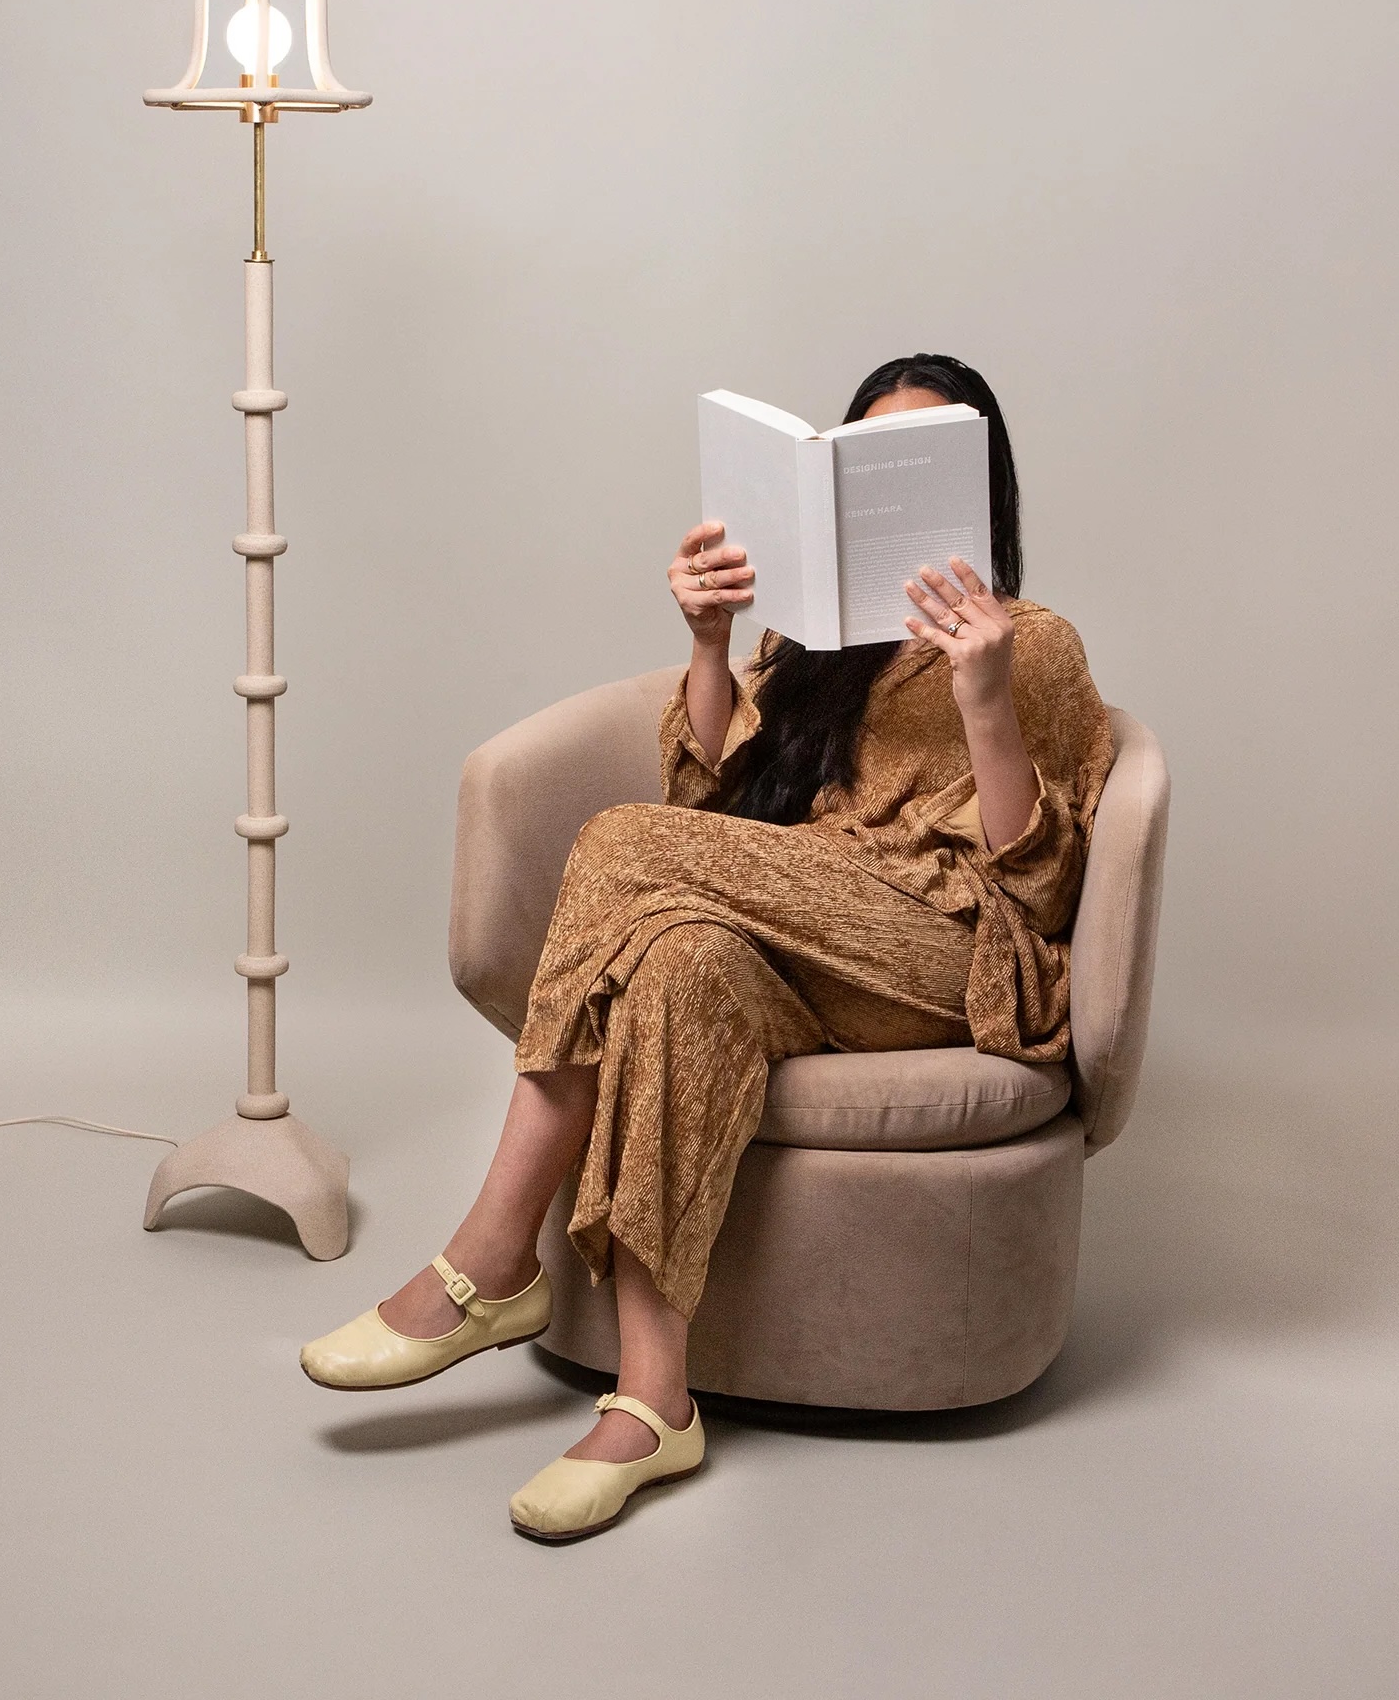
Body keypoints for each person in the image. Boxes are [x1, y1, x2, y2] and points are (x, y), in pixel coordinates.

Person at [300, 354, 1113, 1544]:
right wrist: (711, 638)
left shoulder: (1033, 643)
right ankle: (652, 1400)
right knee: (679, 952)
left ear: (979, 493)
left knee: (630, 844)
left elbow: (1041, 883)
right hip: (799, 934)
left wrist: (984, 698)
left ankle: (492, 1254)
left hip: (944, 953)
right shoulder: (821, 639)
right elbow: (721, 797)